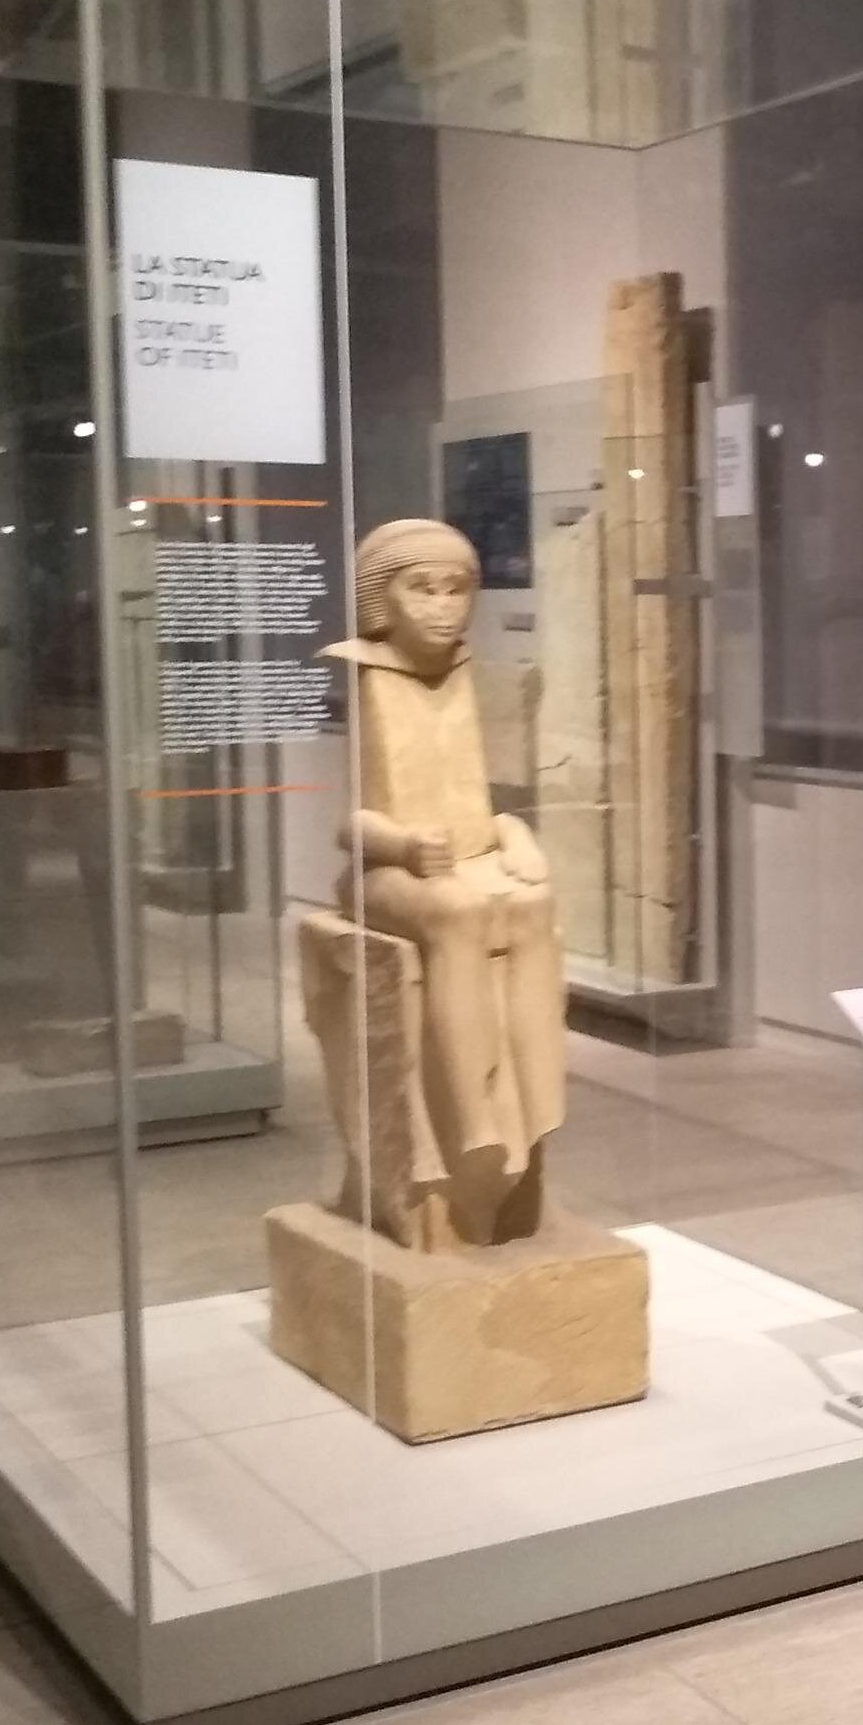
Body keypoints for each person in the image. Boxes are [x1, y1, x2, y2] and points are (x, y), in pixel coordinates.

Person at [324, 517, 566, 1246]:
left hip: (465, 859)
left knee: (533, 904)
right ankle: (475, 1122)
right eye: (421, 589)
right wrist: (401, 842)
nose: (442, 607)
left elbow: (480, 811)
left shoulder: (465, 674)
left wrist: (514, 834)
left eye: (456, 589)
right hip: (385, 873)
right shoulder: (368, 674)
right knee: (458, 913)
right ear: (382, 599)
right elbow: (349, 828)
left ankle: (539, 1110)